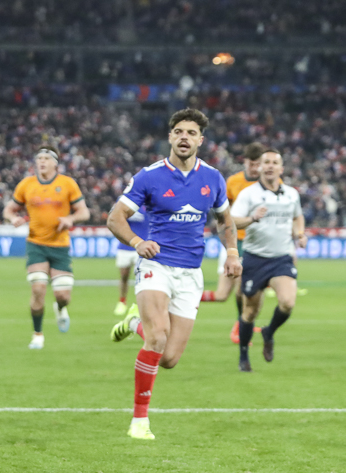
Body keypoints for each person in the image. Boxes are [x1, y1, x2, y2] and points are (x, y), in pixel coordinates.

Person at [107, 108, 241, 440]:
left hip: (191, 273)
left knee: (168, 358)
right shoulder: (149, 176)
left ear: (201, 140)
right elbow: (115, 218)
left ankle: (134, 324)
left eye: (191, 133)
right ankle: (140, 420)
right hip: (156, 266)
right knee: (158, 337)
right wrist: (138, 242)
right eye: (178, 131)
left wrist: (233, 253)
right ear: (170, 136)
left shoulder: (212, 178)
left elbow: (225, 221)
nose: (184, 137)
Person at [3, 146, 90, 348]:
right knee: (39, 288)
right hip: (36, 245)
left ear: (55, 163)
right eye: (39, 158)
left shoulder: (67, 184)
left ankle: (60, 309)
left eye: (45, 158)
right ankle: (38, 334)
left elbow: (84, 212)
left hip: (60, 246)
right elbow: (9, 209)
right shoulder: (26, 184)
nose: (41, 161)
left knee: (63, 296)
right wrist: (13, 217)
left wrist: (70, 218)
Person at [229, 149, 306, 372]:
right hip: (255, 258)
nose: (270, 166)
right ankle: (244, 355)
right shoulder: (249, 194)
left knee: (288, 302)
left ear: (281, 169)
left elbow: (297, 215)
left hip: (281, 257)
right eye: (266, 162)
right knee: (250, 311)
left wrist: (300, 234)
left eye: (275, 162)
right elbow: (232, 220)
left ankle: (269, 332)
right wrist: (252, 218)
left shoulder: (291, 194)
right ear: (260, 167)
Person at [200, 142, 264, 344]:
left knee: (244, 289)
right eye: (251, 164)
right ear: (244, 162)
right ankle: (178, 296)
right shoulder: (233, 182)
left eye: (258, 164)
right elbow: (221, 211)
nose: (255, 168)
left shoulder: (270, 183)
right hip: (234, 241)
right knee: (222, 294)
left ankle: (241, 326)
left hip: (257, 244)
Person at [113, 204, 150, 317]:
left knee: (143, 278)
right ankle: (122, 301)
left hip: (142, 244)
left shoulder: (148, 203)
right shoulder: (125, 201)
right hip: (126, 245)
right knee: (124, 275)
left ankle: (142, 305)